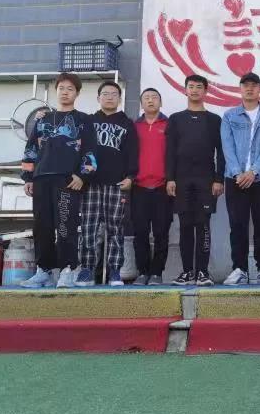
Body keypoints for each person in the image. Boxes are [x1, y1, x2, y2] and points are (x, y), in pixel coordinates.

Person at [20, 73, 97, 288]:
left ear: (77, 93)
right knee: (41, 226)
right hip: (41, 179)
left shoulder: (84, 120)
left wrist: (83, 175)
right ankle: (43, 271)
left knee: (65, 226)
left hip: (67, 181)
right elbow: (31, 149)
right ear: (56, 91)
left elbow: (91, 150)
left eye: (70, 89)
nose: (65, 92)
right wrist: (28, 177)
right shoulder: (42, 119)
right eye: (61, 88)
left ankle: (67, 270)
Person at [74, 81, 138, 287]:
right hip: (90, 184)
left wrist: (131, 177)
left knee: (115, 229)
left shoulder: (127, 123)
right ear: (98, 98)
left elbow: (133, 153)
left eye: (114, 94)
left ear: (119, 98)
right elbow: (77, 149)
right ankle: (86, 270)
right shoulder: (88, 121)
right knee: (89, 228)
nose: (109, 97)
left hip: (116, 183)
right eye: (105, 94)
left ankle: (115, 272)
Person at [166, 75, 225, 286]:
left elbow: (221, 152)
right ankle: (187, 272)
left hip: (206, 180)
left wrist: (219, 179)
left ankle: (202, 272)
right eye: (190, 86)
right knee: (184, 226)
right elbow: (170, 151)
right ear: (185, 90)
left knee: (203, 225)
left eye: (199, 87)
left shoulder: (214, 120)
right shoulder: (175, 119)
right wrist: (170, 178)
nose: (194, 90)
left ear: (205, 91)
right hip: (181, 180)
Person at [221, 73, 260, 286]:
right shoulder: (230, 116)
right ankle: (239, 269)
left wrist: (253, 171)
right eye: (246, 85)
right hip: (235, 179)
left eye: (254, 85)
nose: (250, 89)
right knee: (238, 225)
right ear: (240, 88)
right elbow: (227, 146)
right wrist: (238, 173)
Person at [131, 88, 172, 286]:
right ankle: (142, 271)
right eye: (146, 98)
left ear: (160, 102)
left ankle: (157, 273)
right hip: (138, 187)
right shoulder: (134, 126)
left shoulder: (170, 125)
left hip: (163, 187)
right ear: (141, 104)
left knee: (161, 232)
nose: (150, 101)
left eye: (154, 97)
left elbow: (175, 154)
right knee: (140, 232)